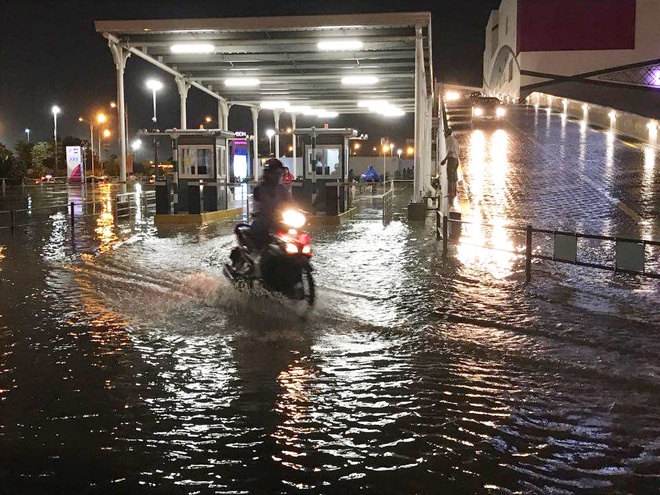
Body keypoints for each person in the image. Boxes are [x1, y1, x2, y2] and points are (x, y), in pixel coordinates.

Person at [251, 158, 291, 248]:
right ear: (268, 174)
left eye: (280, 172)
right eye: (275, 173)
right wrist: (267, 213)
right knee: (263, 239)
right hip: (263, 222)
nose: (278, 176)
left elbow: (290, 202)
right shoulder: (259, 188)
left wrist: (301, 211)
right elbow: (259, 205)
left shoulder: (282, 188)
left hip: (279, 221)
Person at [440, 128, 460, 201]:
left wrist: (444, 160)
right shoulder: (455, 140)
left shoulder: (449, 140)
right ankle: (454, 191)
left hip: (452, 159)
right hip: (456, 159)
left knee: (450, 176)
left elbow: (451, 152)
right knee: (454, 176)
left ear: (446, 133)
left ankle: (451, 192)